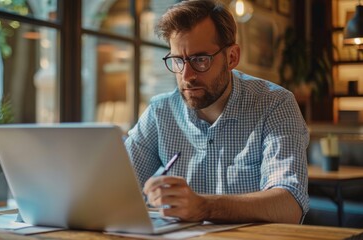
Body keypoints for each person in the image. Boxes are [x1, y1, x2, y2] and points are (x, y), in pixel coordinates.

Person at [124, 0, 309, 224]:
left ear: (231, 57)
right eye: (177, 61)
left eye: (200, 59)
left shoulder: (275, 104)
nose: (186, 76)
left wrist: (204, 207)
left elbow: (289, 206)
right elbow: (114, 185)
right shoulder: (160, 111)